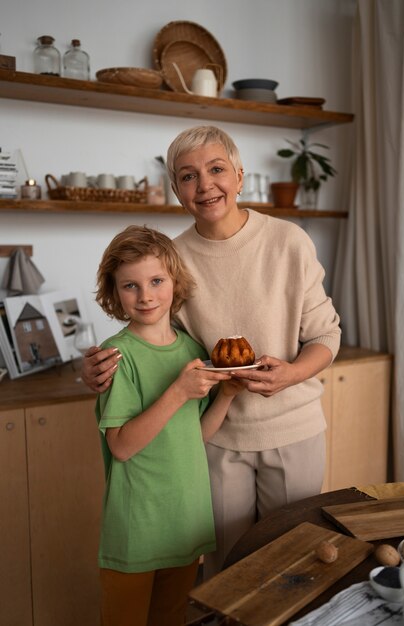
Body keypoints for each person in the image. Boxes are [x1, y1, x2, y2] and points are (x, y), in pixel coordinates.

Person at [82, 125, 341, 580]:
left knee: (292, 565)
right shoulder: (174, 259)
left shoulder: (288, 241)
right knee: (225, 570)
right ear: (176, 190)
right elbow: (156, 337)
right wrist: (98, 367)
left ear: (239, 176)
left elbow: (325, 336)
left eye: (216, 169)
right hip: (214, 436)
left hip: (292, 430)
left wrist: (291, 374)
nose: (205, 185)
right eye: (187, 176)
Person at [94, 224, 243, 626]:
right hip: (136, 530)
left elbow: (193, 438)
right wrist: (178, 391)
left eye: (156, 281)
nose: (145, 296)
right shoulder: (118, 355)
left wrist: (226, 396)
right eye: (130, 286)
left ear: (175, 283)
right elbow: (122, 446)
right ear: (114, 293)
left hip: (183, 523)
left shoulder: (193, 350)